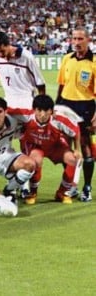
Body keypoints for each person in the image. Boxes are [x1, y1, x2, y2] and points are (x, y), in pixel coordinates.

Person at [9, 95, 81, 204]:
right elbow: (6, 110)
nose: (42, 114)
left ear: (52, 111)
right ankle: (33, 193)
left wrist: (77, 149)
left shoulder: (59, 120)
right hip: (34, 146)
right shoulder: (26, 115)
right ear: (34, 109)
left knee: (72, 159)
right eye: (39, 110)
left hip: (54, 145)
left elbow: (75, 131)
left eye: (46, 110)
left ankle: (62, 193)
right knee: (36, 161)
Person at [56, 26, 95, 202]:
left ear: (88, 40)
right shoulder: (66, 59)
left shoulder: (93, 63)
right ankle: (71, 184)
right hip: (65, 104)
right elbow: (61, 84)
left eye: (80, 39)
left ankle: (87, 186)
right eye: (74, 39)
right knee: (66, 145)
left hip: (85, 106)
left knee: (85, 145)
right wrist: (55, 105)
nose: (77, 43)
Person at [0, 31, 46, 109]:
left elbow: (40, 83)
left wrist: (42, 106)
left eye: (2, 51)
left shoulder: (26, 57)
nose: (0, 55)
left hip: (27, 101)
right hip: (8, 101)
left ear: (8, 45)